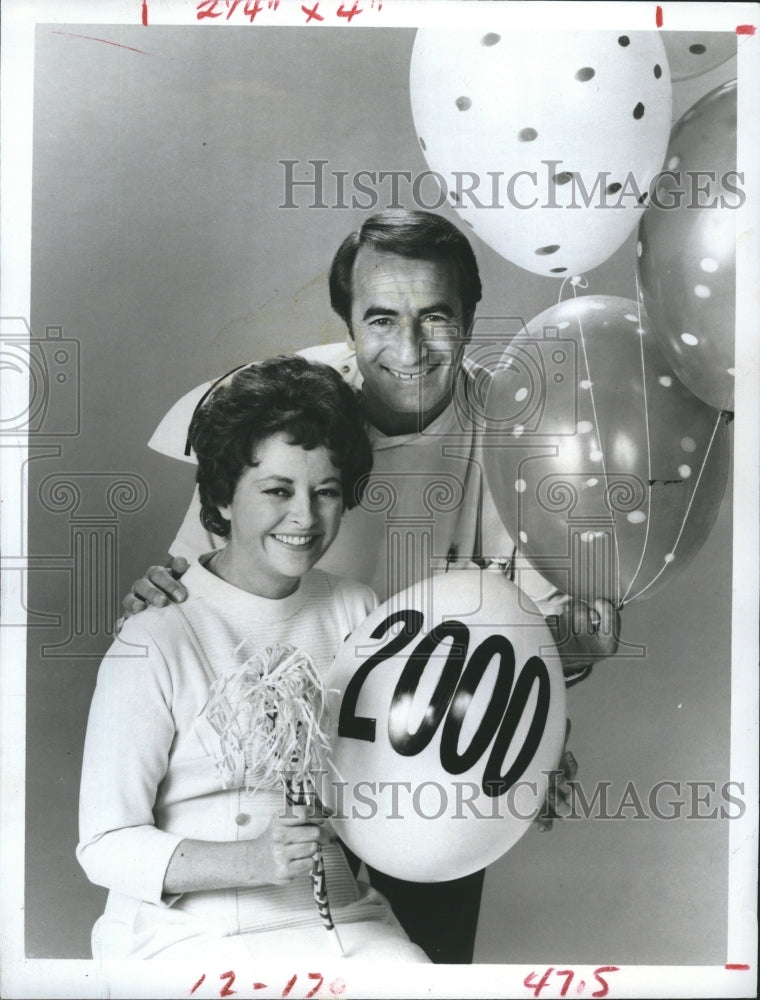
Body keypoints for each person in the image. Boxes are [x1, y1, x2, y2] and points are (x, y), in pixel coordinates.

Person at [122, 210, 619, 962]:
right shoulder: (279, 408)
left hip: (431, 764)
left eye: (436, 317)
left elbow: (539, 636)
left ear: (473, 319)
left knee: (423, 966)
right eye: (381, 319)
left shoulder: (519, 433)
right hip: (274, 756)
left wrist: (538, 727)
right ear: (348, 325)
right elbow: (200, 588)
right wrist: (160, 599)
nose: (410, 349)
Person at [77, 356, 429, 965]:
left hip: (345, 923)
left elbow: (410, 759)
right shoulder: (155, 634)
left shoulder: (356, 611)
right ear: (221, 494)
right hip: (189, 933)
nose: (304, 517)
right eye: (276, 491)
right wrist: (251, 860)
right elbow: (104, 843)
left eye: (325, 492)